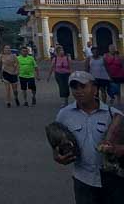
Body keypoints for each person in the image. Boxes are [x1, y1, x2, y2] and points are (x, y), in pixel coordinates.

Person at [53, 70, 124, 203]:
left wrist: (114, 149)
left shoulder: (114, 115)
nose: (78, 91)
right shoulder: (64, 115)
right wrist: (57, 156)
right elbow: (57, 143)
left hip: (113, 180)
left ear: (95, 89)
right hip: (83, 181)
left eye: (83, 86)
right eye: (74, 87)